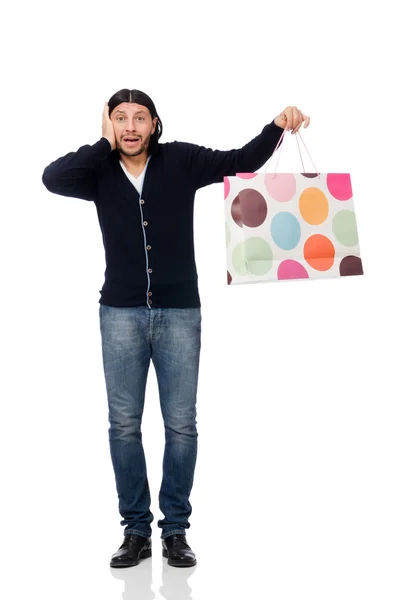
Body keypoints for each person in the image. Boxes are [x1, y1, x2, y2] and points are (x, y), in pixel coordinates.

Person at [42, 88, 310, 568]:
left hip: (180, 313)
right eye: (119, 118)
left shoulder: (180, 161)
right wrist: (101, 144)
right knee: (124, 425)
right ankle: (135, 531)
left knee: (180, 425)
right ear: (109, 125)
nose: (129, 127)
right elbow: (52, 178)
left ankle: (175, 531)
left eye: (139, 118)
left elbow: (240, 160)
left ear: (154, 123)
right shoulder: (97, 170)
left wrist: (276, 125)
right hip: (119, 314)